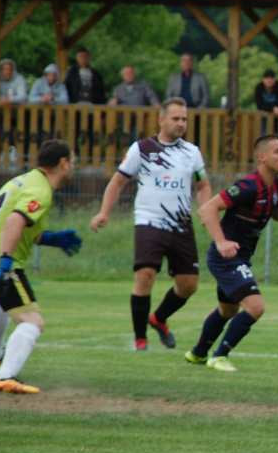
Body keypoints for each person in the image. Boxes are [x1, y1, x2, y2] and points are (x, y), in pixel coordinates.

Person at [186, 134, 278, 371]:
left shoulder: (273, 185)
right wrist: (221, 242)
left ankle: (198, 354)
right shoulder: (247, 186)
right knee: (255, 307)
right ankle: (219, 356)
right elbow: (208, 209)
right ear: (262, 157)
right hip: (226, 258)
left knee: (228, 310)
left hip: (238, 258)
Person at [90, 97, 212, 351]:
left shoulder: (192, 152)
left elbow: (202, 184)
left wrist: (206, 207)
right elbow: (117, 182)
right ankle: (140, 339)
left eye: (185, 119)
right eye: (176, 118)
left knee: (188, 285)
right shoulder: (142, 148)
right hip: (149, 220)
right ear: (162, 119)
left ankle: (158, 319)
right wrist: (104, 213)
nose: (181, 123)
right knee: (145, 275)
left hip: (181, 224)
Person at [0, 140, 81, 394]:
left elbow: (23, 227)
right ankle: (6, 376)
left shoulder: (26, 180)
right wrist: (5, 260)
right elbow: (14, 222)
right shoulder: (41, 191)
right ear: (63, 163)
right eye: (73, 161)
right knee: (32, 322)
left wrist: (52, 239)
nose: (74, 167)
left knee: (5, 302)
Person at [254, 69, 278, 134]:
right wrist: (272, 108)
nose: (269, 80)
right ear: (263, 79)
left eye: (271, 78)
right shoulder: (259, 88)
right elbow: (259, 105)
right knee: (264, 137)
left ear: (275, 79)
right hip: (265, 118)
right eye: (267, 78)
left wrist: (273, 107)